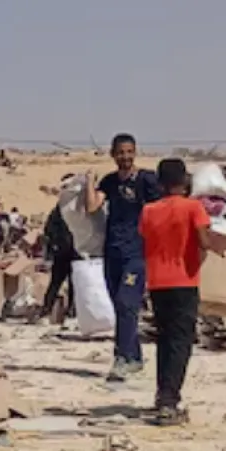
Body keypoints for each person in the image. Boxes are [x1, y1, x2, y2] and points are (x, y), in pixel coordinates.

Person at [140, 158, 226, 425]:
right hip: (184, 281)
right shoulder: (193, 208)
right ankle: (168, 402)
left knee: (165, 341)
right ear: (184, 181)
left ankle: (162, 394)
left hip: (157, 282)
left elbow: (147, 239)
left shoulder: (148, 211)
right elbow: (203, 239)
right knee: (180, 343)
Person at [86, 133, 161, 381]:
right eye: (120, 152)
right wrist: (89, 182)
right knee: (120, 305)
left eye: (129, 152)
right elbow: (92, 206)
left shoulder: (147, 180)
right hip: (113, 251)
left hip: (137, 252)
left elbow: (161, 209)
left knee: (126, 302)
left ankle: (122, 358)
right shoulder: (109, 182)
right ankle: (135, 357)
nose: (125, 157)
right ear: (113, 154)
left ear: (135, 152)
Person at [42, 182, 79, 321]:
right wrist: (54, 245)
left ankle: (72, 312)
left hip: (76, 251)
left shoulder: (78, 207)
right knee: (56, 282)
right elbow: (49, 229)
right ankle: (46, 311)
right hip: (63, 251)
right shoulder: (59, 209)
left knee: (74, 284)